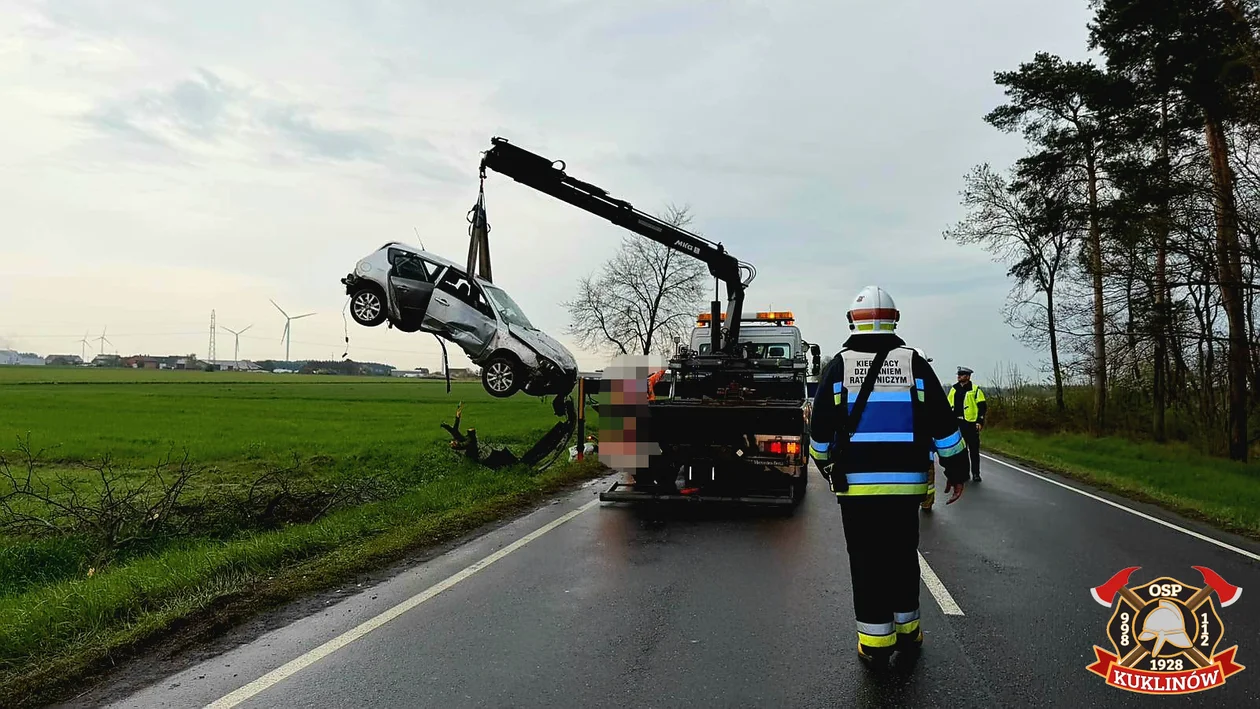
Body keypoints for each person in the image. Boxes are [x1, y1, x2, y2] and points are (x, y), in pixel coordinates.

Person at [808, 285, 970, 669]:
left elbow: (818, 434)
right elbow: (944, 425)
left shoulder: (838, 366)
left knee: (866, 563)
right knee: (902, 557)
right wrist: (957, 470)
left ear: (853, 321)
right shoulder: (914, 363)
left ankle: (876, 645)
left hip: (857, 490)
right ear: (895, 320)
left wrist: (828, 468)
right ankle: (908, 633)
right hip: (906, 486)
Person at [947, 366, 987, 482]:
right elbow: (949, 406)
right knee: (961, 452)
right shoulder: (954, 389)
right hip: (958, 424)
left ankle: (976, 473)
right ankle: (964, 473)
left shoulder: (975, 390)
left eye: (962, 374)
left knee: (974, 451)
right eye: (958, 374)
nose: (959, 376)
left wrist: (980, 421)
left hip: (971, 424)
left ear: (968, 377)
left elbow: (982, 407)